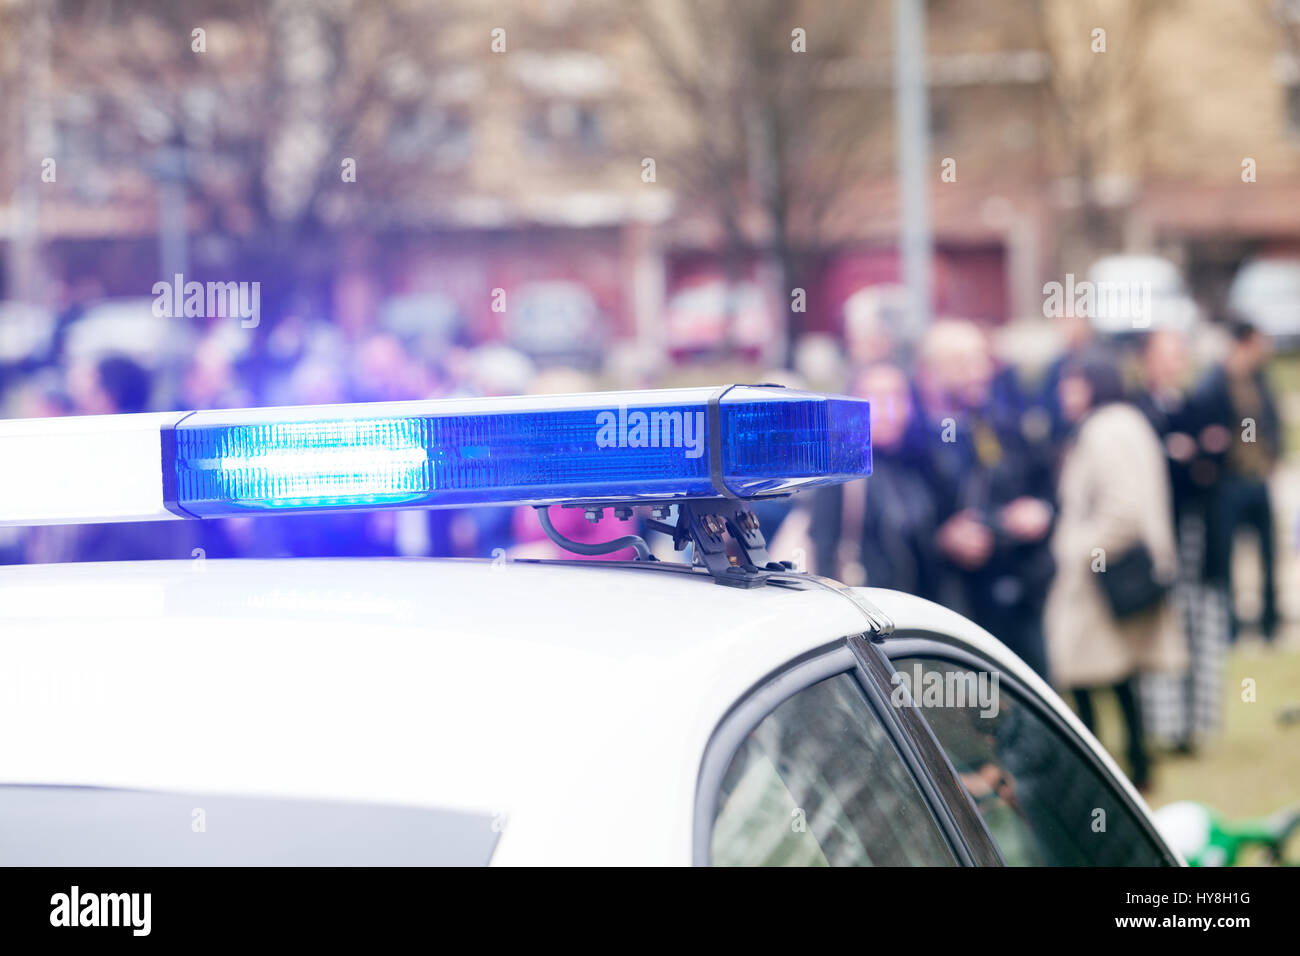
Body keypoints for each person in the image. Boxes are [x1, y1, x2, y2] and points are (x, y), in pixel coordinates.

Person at [1045, 351, 1186, 791]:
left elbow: (1123, 512)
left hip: (1099, 578)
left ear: (1092, 385)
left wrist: (1075, 550)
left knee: (1085, 672)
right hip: (1125, 573)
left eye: (1072, 384)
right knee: (1120, 671)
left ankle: (1101, 776)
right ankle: (1135, 768)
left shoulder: (1102, 432)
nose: (1063, 393)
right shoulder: (1129, 422)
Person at [915, 320, 1056, 679]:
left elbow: (1044, 483)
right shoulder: (907, 439)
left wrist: (1042, 510)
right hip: (944, 606)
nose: (979, 372)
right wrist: (940, 539)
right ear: (929, 372)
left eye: (982, 360)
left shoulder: (1002, 425)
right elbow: (893, 523)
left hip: (1016, 597)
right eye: (963, 363)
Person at [1133, 330, 1229, 752]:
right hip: (1160, 542)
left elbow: (1215, 462)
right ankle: (1165, 726)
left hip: (1198, 536)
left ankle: (1195, 724)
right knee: (1163, 628)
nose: (1177, 361)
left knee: (1198, 626)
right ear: (1146, 360)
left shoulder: (1195, 404)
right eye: (1168, 354)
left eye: (1180, 354)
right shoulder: (1137, 411)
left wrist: (1198, 455)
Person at [808, 362, 940, 596]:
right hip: (867, 612)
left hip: (918, 610)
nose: (887, 408)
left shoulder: (918, 464)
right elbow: (824, 555)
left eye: (897, 396)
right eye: (875, 397)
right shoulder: (841, 473)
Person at [1194, 316, 1282, 641]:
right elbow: (1204, 429)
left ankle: (1269, 624)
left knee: (1268, 556)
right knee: (1227, 558)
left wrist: (1273, 456)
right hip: (1228, 484)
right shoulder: (1214, 383)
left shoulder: (1259, 380)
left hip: (1257, 480)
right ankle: (1228, 628)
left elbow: (1271, 421)